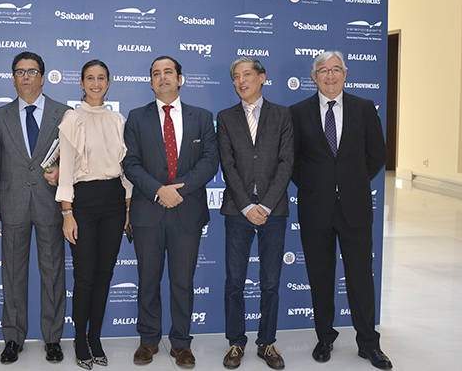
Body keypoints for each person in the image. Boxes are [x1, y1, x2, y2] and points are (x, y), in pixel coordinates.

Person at [289, 50, 392, 369]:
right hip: (315, 207)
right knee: (320, 275)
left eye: (336, 70)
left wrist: (352, 180)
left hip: (355, 206)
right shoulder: (298, 112)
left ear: (345, 74)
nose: (330, 76)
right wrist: (314, 184)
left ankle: (368, 343)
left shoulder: (363, 108)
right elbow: (291, 161)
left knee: (360, 275)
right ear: (313, 77)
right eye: (323, 71)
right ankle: (324, 337)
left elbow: (377, 154)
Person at [123, 56, 219, 369]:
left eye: (168, 72)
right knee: (147, 279)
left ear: (181, 79)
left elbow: (209, 161)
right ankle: (148, 340)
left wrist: (179, 189)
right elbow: (131, 163)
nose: (162, 77)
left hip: (187, 210)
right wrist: (158, 190)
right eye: (156, 73)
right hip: (148, 212)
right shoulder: (136, 118)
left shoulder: (202, 117)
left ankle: (181, 344)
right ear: (150, 82)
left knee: (182, 281)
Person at [0, 51, 69, 364]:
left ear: (43, 77)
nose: (26, 77)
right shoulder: (0, 116)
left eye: (32, 71)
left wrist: (63, 174)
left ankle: (53, 339)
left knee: (52, 273)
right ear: (13, 78)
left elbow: (76, 159)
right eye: (19, 72)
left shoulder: (64, 114)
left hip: (51, 205)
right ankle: (13, 338)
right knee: (13, 274)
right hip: (12, 205)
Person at [216, 57, 293, 370]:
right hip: (238, 210)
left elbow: (287, 162)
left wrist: (267, 204)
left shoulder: (282, 115)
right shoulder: (225, 117)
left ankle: (267, 342)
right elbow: (228, 164)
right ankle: (236, 342)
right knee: (234, 280)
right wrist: (248, 205)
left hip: (274, 210)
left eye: (247, 74)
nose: (241, 81)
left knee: (270, 281)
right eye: (236, 76)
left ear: (262, 77)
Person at [57, 59, 133, 369]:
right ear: (82, 83)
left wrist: (128, 207)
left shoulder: (118, 119)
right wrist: (67, 212)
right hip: (83, 202)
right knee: (85, 276)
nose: (96, 83)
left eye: (101, 78)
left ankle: (96, 337)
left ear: (109, 82)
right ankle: (79, 339)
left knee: (105, 275)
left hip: (114, 201)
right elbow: (65, 172)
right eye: (90, 78)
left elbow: (125, 168)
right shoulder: (71, 119)